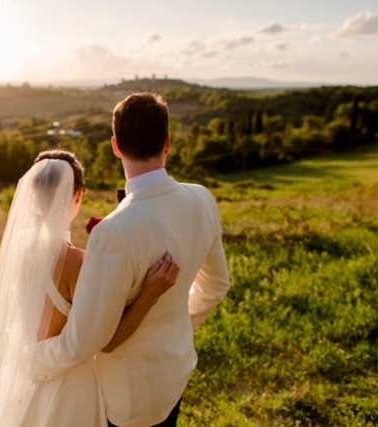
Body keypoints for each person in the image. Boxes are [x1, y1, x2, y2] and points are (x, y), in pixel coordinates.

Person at [32, 92, 230, 427]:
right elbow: (216, 286)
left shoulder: (112, 233)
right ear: (167, 142)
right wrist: (177, 324)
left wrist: (32, 359)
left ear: (115, 146)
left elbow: (86, 342)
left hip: (128, 396)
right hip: (176, 370)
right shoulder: (202, 199)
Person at [0, 149, 180, 427]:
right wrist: (149, 292)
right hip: (71, 387)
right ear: (78, 194)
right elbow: (105, 336)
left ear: (32, 195)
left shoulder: (20, 248)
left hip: (24, 379)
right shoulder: (76, 262)